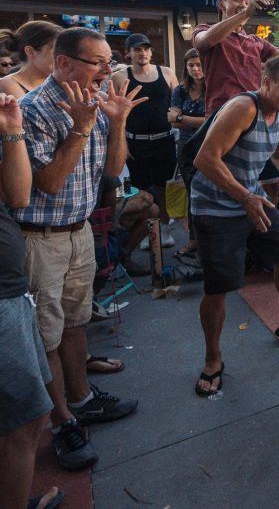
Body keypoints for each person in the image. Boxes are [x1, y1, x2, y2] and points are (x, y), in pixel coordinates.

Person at [14, 27, 145, 470]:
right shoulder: (32, 110)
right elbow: (47, 185)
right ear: (64, 64)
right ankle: (63, 421)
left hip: (79, 232)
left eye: (110, 62)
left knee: (75, 323)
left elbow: (112, 171)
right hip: (40, 239)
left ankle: (82, 398)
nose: (108, 72)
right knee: (46, 335)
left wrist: (118, 121)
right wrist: (82, 128)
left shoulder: (95, 103)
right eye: (99, 63)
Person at [190, 54, 279, 396]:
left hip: (251, 199)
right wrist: (244, 197)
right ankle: (213, 359)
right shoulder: (243, 108)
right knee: (219, 287)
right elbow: (205, 158)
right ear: (265, 83)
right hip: (216, 208)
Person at [0, 91, 64, 509]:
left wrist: (11, 130)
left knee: (26, 414)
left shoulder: (8, 122)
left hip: (9, 289)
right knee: (24, 418)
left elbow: (19, 195)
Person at [111, 33, 178, 244]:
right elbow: (116, 114)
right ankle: (139, 230)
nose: (143, 53)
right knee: (131, 189)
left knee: (165, 187)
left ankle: (164, 230)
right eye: (138, 49)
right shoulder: (120, 77)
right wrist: (122, 143)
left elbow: (177, 104)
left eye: (146, 49)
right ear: (128, 53)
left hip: (164, 141)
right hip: (134, 143)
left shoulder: (166, 73)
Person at [168, 49, 206, 257]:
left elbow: (213, 121)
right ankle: (194, 239)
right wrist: (192, 121)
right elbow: (171, 119)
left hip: (208, 146)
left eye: (199, 64)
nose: (195, 69)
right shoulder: (180, 90)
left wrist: (183, 119)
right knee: (192, 194)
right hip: (186, 148)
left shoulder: (214, 88)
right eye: (191, 65)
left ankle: (209, 240)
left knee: (210, 193)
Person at [0, 20, 62, 99]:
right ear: (30, 51)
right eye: (56, 51)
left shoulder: (55, 83)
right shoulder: (8, 84)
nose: (61, 57)